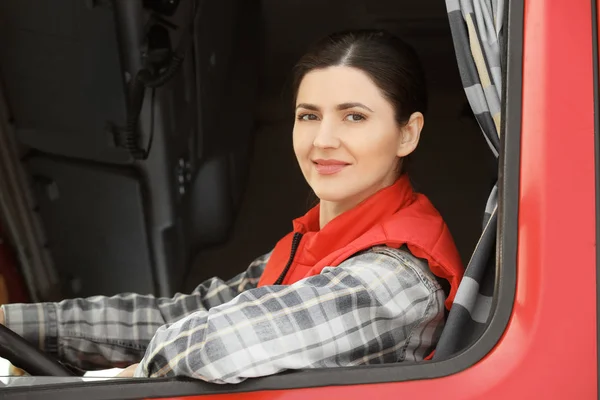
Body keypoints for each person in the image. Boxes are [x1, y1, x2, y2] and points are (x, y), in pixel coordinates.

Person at [0, 29, 463, 384]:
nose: (323, 140)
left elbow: (214, 345)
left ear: (408, 133)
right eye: (309, 116)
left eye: (354, 116)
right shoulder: (315, 247)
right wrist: (12, 324)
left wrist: (124, 379)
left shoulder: (397, 282)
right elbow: (182, 315)